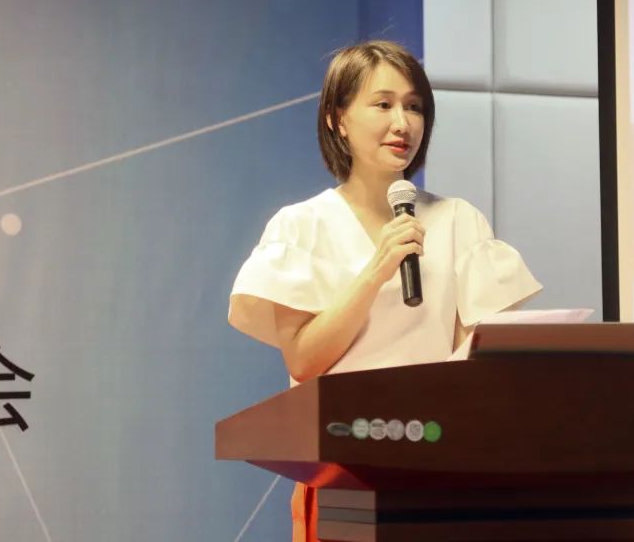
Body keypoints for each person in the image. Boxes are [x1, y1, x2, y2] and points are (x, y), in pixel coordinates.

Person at [227, 40, 542, 542]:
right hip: (344, 471)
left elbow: (483, 359)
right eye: (383, 104)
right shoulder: (302, 226)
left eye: (414, 107)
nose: (403, 123)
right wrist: (376, 270)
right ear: (337, 118)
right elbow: (304, 361)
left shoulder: (459, 220)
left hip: (442, 466)